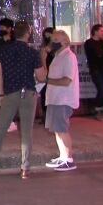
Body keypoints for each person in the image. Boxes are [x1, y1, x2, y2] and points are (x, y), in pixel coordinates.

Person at [0, 21, 46, 179]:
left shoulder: (4, 51)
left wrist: (1, 94)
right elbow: (41, 76)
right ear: (28, 33)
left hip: (9, 93)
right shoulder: (32, 53)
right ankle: (24, 168)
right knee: (26, 132)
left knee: (0, 130)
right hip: (28, 93)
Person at [43, 30, 80, 172]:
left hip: (63, 99)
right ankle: (63, 156)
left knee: (62, 129)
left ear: (64, 42)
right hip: (55, 98)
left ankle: (68, 158)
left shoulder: (69, 57)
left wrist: (48, 81)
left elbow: (66, 80)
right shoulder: (58, 56)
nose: (52, 43)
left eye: (55, 40)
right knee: (56, 130)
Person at [37, 27, 55, 123]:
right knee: (45, 94)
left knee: (51, 94)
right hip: (48, 71)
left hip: (55, 72)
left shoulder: (56, 46)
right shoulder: (44, 48)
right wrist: (46, 71)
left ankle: (50, 115)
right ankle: (45, 116)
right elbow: (43, 61)